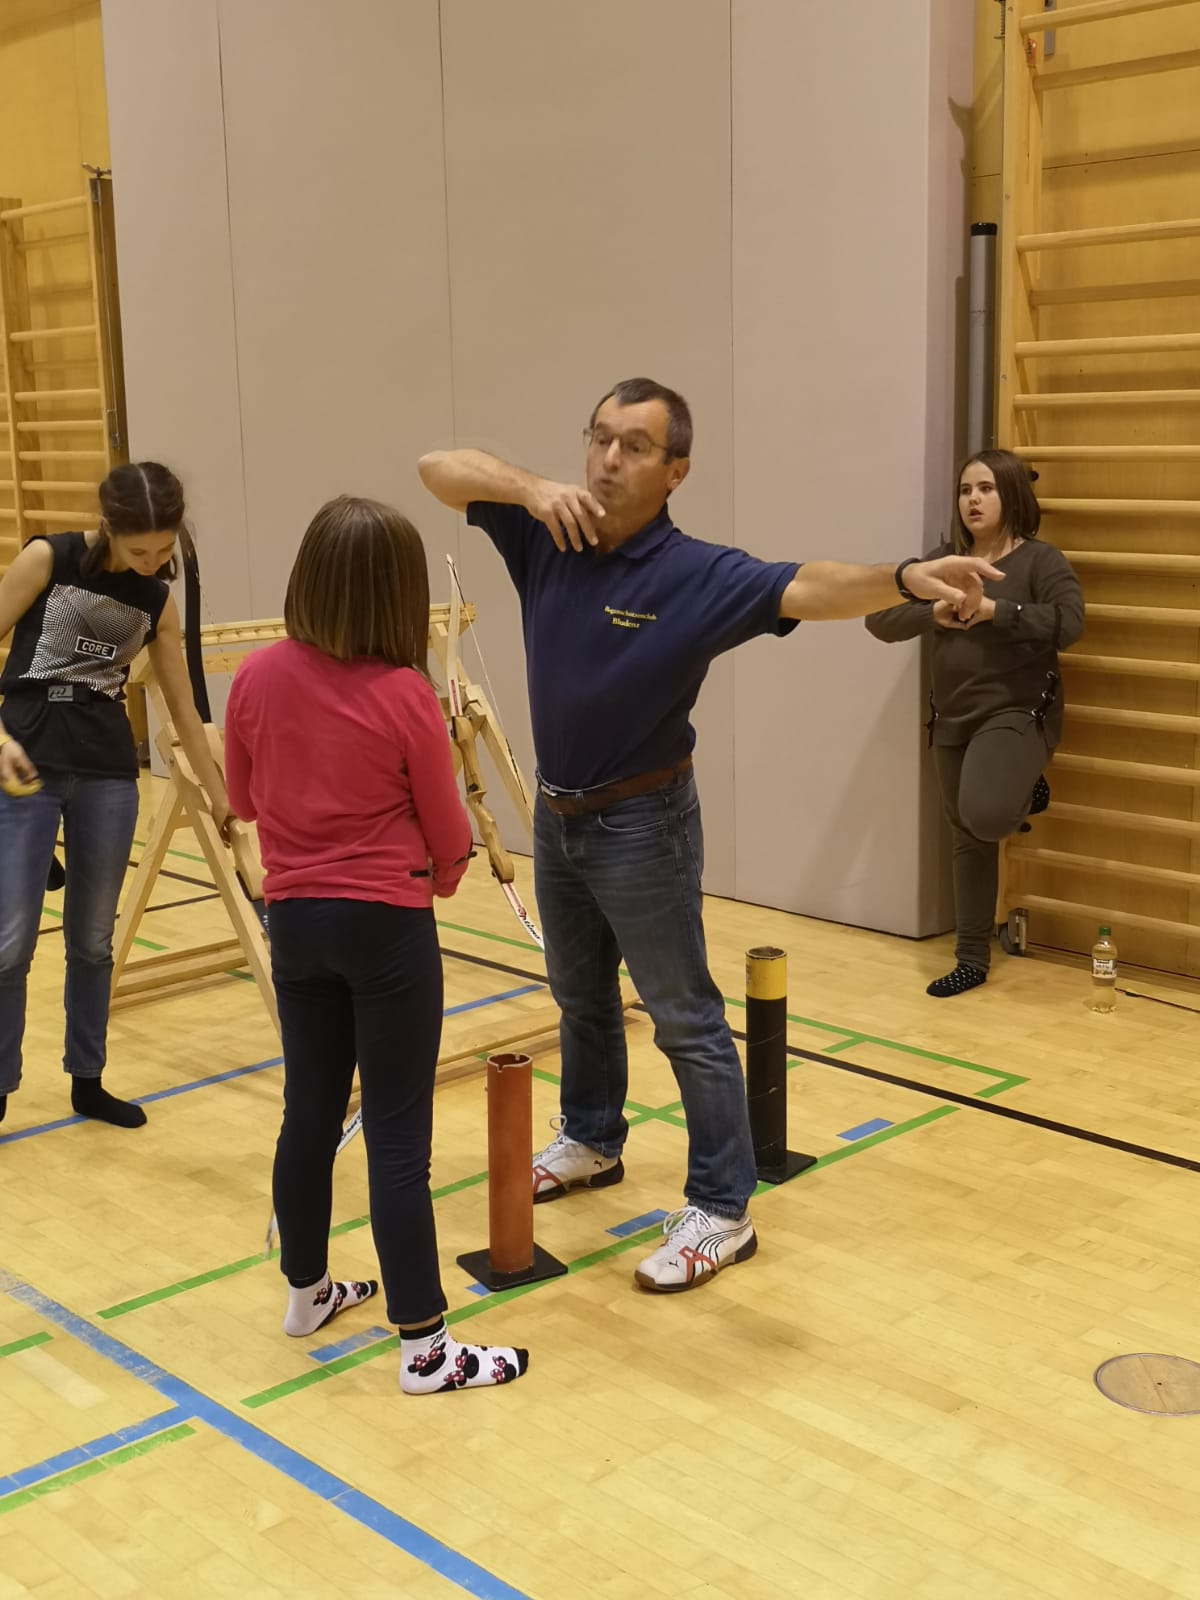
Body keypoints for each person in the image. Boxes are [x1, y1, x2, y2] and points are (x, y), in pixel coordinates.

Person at [417, 376, 1002, 1293]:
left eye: (635, 446)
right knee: (579, 999)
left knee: (684, 1017)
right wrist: (529, 489)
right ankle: (592, 1138)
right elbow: (438, 468)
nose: (609, 459)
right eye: (599, 438)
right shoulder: (546, 532)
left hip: (642, 823)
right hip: (559, 816)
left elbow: (806, 585)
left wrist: (901, 578)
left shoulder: (695, 574)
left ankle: (723, 1208)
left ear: (676, 470)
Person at [223, 496, 527, 1394]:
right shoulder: (402, 695)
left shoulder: (254, 678)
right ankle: (425, 1349)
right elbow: (449, 837)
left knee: (309, 1113)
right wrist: (442, 875)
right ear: (395, 595)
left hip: (296, 921)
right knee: (397, 1138)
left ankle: (306, 1292)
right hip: (386, 928)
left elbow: (244, 799)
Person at [0, 463, 230, 1130]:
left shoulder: (157, 601)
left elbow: (184, 711)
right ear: (108, 527)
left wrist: (221, 797)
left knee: (93, 942)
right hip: (28, 756)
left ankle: (88, 1079)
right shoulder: (48, 558)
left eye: (163, 551)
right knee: (10, 943)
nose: (151, 563)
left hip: (105, 768)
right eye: (139, 550)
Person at [865, 448, 1084, 997]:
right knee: (967, 834)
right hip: (950, 717)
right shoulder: (945, 561)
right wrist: (934, 611)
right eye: (965, 490)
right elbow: (879, 619)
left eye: (986, 489)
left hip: (1017, 712)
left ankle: (1023, 787)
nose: (973, 500)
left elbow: (1069, 624)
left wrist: (994, 611)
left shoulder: (1040, 561)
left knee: (985, 815)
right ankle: (970, 960)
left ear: (1011, 495)